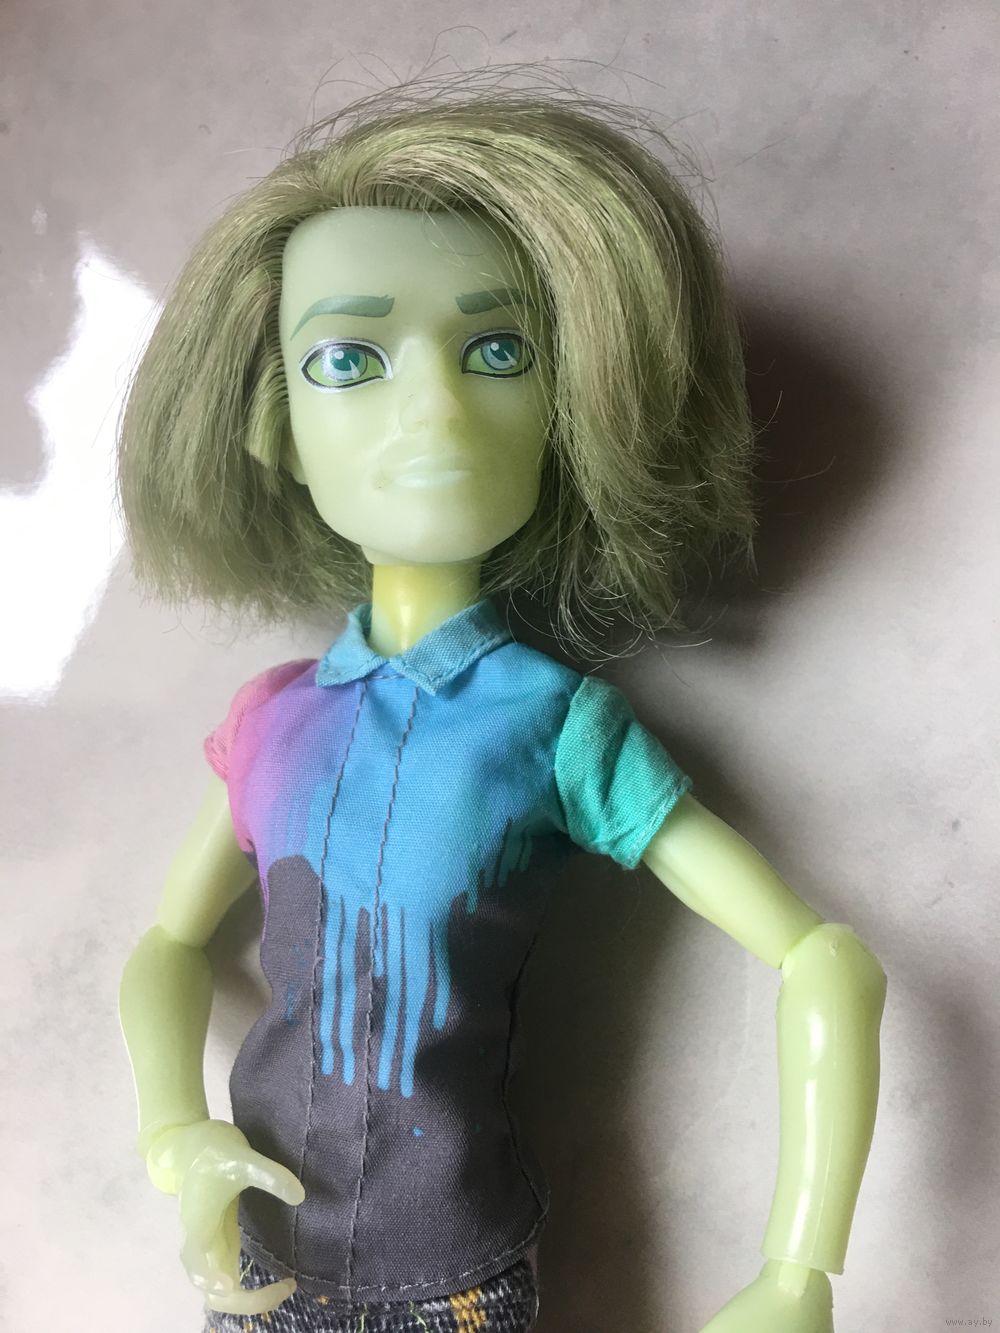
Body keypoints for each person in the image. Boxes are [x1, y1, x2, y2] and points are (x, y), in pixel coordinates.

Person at [118, 80, 886, 1333]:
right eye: (348, 360)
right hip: (256, 1262)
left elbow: (821, 958)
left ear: (567, 410)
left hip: (455, 1283)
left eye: (497, 352)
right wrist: (173, 1133)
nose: (432, 408)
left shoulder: (554, 725)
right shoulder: (267, 722)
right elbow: (164, 949)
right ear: (277, 429)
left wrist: (798, 1270)